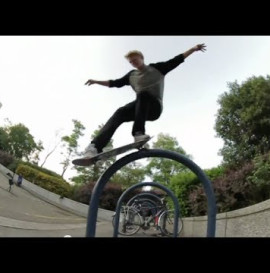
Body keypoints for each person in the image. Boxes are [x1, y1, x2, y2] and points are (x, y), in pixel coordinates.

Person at [83, 44, 206, 158]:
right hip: (140, 109)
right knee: (120, 112)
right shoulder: (131, 75)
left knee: (143, 94)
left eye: (135, 60)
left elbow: (176, 60)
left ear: (142, 58)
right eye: (131, 62)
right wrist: (96, 81)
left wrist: (193, 49)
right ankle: (95, 147)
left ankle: (138, 133)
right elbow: (115, 83)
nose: (133, 63)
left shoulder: (157, 68)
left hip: (154, 108)